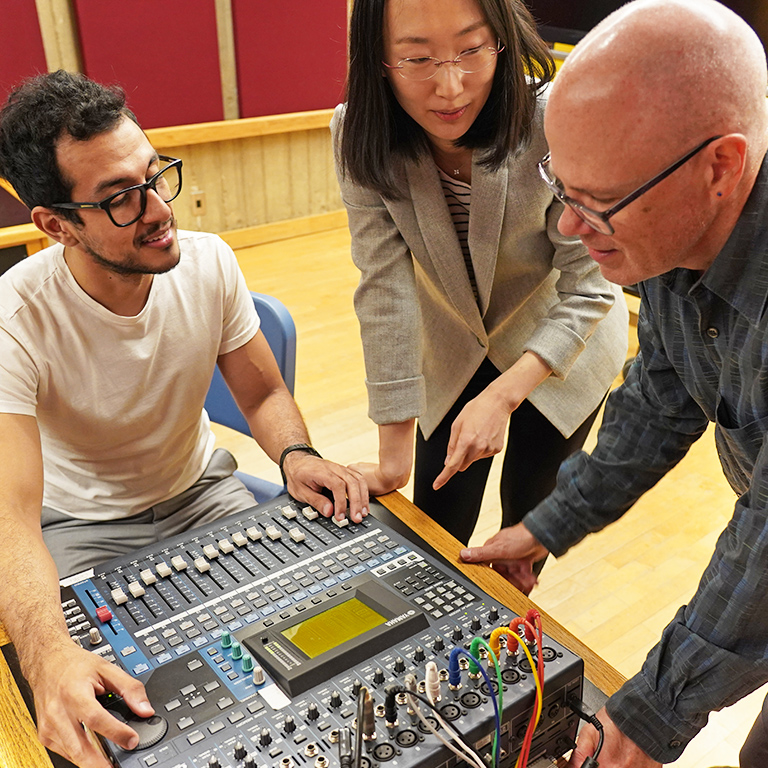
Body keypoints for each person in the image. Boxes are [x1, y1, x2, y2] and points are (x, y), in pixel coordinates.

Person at [0, 71, 368, 768]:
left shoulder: (209, 264)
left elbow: (262, 395)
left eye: (154, 174)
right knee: (106, 725)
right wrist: (46, 652)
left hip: (206, 494)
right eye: (118, 198)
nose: (157, 208)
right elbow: (10, 517)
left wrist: (296, 456)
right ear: (55, 225)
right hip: (82, 532)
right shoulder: (14, 320)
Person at [460, 1, 768, 765]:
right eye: (561, 189)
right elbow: (658, 399)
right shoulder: (676, 232)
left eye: (598, 203)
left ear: (720, 167)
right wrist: (550, 524)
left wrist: (650, 711)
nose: (568, 227)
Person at [332, 0, 628, 547]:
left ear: (502, 38)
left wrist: (501, 397)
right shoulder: (358, 131)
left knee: (527, 521)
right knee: (436, 526)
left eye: (471, 50)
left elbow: (589, 288)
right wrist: (391, 459)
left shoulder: (551, 118)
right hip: (453, 343)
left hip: (560, 340)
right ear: (376, 60)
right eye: (418, 60)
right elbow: (384, 289)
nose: (450, 88)